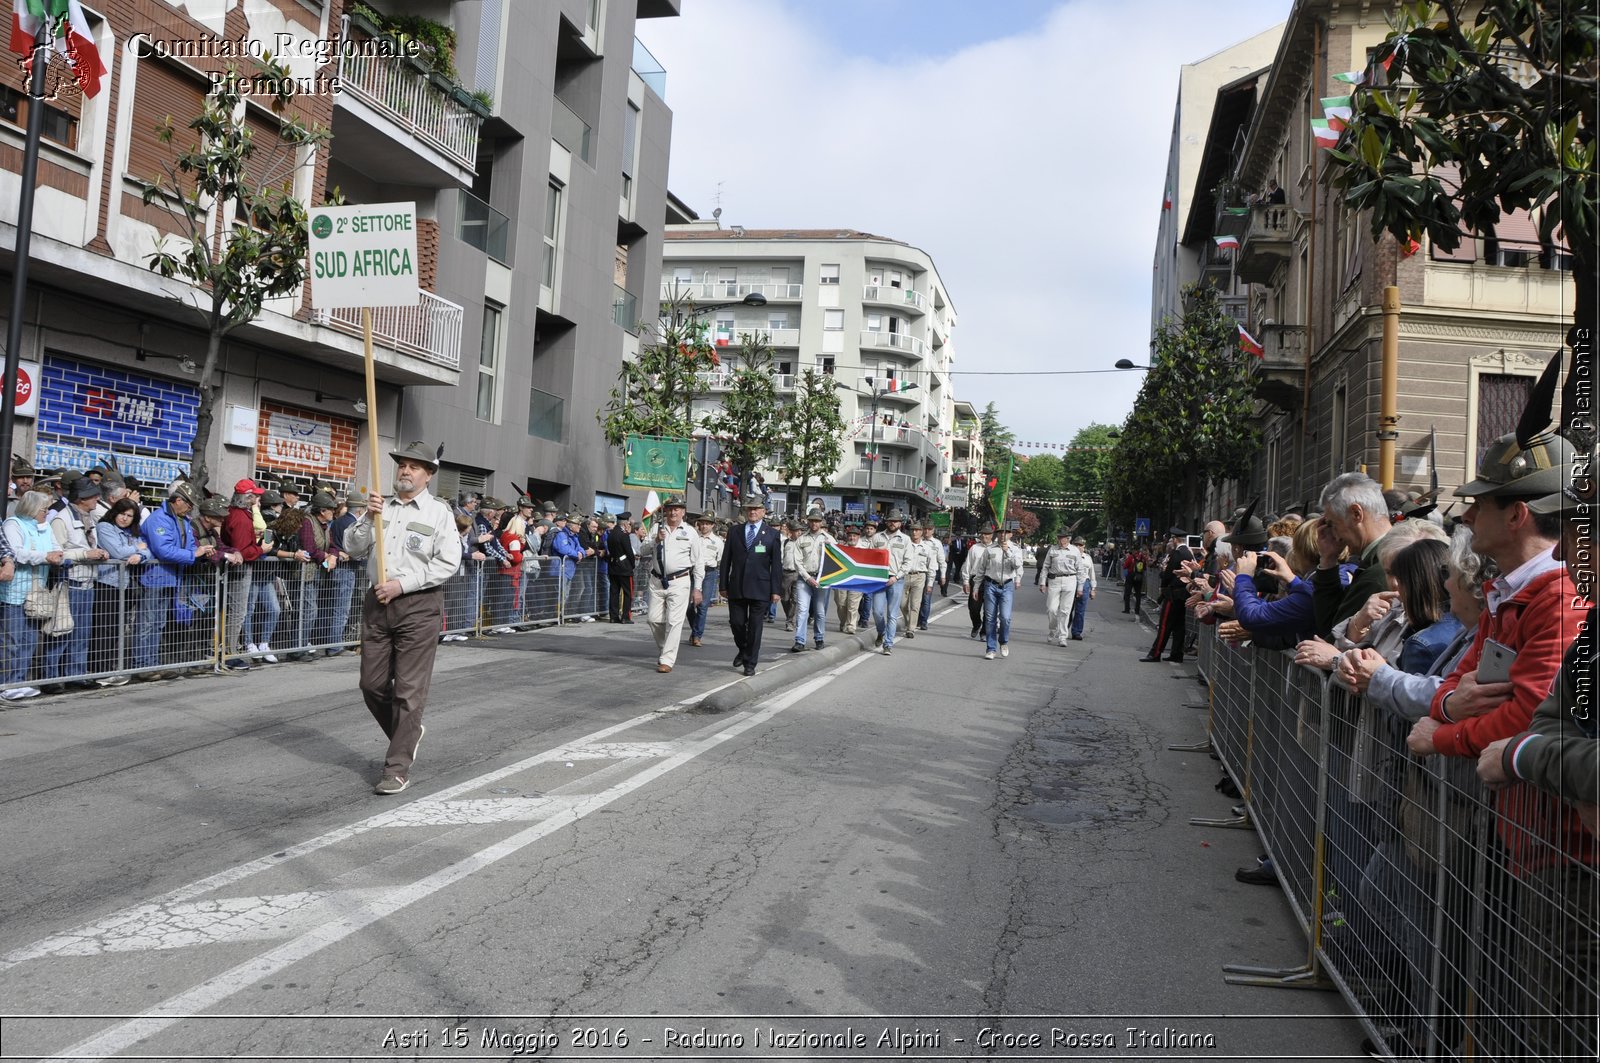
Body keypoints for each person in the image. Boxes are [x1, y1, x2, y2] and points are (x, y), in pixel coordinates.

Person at [343, 441, 459, 796]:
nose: (405, 471)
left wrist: (402, 585)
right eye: (402, 465)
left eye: (414, 467)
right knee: (372, 685)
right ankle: (407, 732)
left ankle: (396, 768)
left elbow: (449, 562)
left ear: (428, 475)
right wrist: (367, 517)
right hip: (377, 604)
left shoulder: (439, 512)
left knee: (409, 692)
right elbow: (352, 547)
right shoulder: (382, 507)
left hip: (418, 606)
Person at [133, 483, 214, 678]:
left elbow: (187, 545)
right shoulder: (159, 519)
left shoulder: (181, 519)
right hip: (153, 576)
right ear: (178, 500)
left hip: (170, 577)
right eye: (189, 504)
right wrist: (193, 553)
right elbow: (163, 550)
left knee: (158, 623)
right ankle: (142, 665)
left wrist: (200, 552)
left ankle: (153, 663)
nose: (191, 508)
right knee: (147, 623)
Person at [45, 476, 109, 686]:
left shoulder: (88, 517)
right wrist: (85, 554)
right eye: (93, 495)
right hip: (69, 583)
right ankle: (51, 678)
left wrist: (100, 553)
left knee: (82, 635)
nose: (97, 499)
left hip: (87, 583)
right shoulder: (61, 519)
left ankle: (76, 675)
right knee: (60, 632)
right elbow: (56, 552)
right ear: (82, 498)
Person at [2, 491, 59, 700]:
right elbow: (18, 553)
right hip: (15, 592)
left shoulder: (44, 527)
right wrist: (45, 556)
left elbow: (57, 549)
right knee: (13, 640)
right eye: (44, 509)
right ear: (33, 509)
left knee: (29, 640)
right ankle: (6, 683)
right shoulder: (13, 524)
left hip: (36, 591)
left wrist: (52, 554)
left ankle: (20, 680)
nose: (47, 513)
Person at [721, 496, 782, 676]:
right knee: (736, 623)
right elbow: (726, 560)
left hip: (760, 588)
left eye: (756, 509)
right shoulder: (735, 531)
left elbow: (776, 565)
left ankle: (750, 663)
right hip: (737, 587)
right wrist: (723, 585)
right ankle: (743, 648)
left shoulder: (772, 534)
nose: (752, 512)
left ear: (763, 512)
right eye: (749, 509)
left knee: (755, 628)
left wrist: (776, 590)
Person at [642, 496, 703, 673]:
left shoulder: (690, 532)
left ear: (683, 511)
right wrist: (656, 541)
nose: (673, 512)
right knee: (653, 619)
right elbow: (642, 550)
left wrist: (697, 588)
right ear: (665, 511)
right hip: (657, 580)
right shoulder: (656, 528)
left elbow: (698, 562)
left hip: (680, 581)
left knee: (674, 621)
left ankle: (667, 659)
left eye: (677, 508)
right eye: (670, 508)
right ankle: (665, 650)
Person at [92, 496, 146, 685]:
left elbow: (149, 550)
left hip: (124, 584)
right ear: (115, 512)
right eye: (122, 513)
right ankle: (99, 670)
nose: (125, 518)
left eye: (129, 515)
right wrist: (137, 548)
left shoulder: (132, 532)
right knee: (103, 628)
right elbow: (117, 552)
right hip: (106, 582)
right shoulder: (105, 527)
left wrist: (140, 554)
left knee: (116, 627)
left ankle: (108, 668)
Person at [972, 524, 1024, 660]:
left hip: (1006, 585)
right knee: (990, 618)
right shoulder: (990, 549)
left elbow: (1018, 565)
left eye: (1005, 533)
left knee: (1005, 617)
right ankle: (991, 648)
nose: (1002, 535)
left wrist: (1008, 552)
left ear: (1010, 535)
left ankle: (1004, 641)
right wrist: (976, 587)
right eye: (1000, 533)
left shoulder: (1015, 549)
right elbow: (981, 569)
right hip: (991, 585)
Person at [1142, 528, 1194, 663]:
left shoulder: (1177, 553)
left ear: (1176, 539)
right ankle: (1177, 653)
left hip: (1173, 594)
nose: (1171, 541)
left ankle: (1155, 653)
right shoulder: (1189, 553)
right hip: (1183, 594)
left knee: (1165, 625)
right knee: (1179, 626)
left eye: (1172, 539)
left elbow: (1168, 574)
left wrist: (1163, 581)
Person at [790, 509, 834, 652]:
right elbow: (797, 561)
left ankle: (819, 638)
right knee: (802, 609)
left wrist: (831, 546)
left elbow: (838, 558)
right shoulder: (801, 539)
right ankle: (800, 640)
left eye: (817, 520)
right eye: (812, 520)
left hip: (822, 579)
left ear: (821, 522)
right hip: (805, 578)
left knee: (820, 611)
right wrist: (808, 578)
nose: (814, 523)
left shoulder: (828, 538)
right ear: (808, 521)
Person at [871, 510, 914, 656]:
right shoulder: (877, 537)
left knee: (892, 614)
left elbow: (908, 562)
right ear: (886, 522)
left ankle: (888, 644)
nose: (892, 523)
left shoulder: (906, 540)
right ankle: (881, 631)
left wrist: (896, 577)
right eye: (890, 520)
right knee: (877, 611)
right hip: (879, 580)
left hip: (896, 580)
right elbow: (868, 558)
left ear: (900, 523)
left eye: (895, 521)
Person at [1037, 527, 1081, 646]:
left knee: (1065, 611)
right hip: (1054, 580)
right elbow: (1045, 567)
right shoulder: (1052, 550)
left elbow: (1080, 570)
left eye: (1063, 537)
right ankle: (1053, 629)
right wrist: (1042, 582)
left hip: (1070, 580)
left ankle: (1063, 637)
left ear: (1068, 538)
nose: (1060, 539)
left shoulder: (1075, 551)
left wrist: (1080, 587)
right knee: (1051, 609)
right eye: (1059, 537)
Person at [688, 512, 722, 644]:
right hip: (693, 571)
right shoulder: (694, 538)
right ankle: (695, 628)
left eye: (707, 523)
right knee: (688, 605)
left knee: (703, 605)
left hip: (709, 572)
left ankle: (697, 636)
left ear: (712, 525)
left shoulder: (718, 541)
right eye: (702, 523)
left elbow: (719, 558)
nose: (704, 526)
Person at [962, 524, 994, 638]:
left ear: (991, 535)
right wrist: (966, 581)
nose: (984, 536)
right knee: (973, 607)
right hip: (975, 580)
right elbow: (967, 565)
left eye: (987, 534)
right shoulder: (974, 548)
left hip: (989, 580)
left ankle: (984, 631)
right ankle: (976, 624)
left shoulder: (995, 548)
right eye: (983, 534)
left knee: (988, 609)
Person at [833, 523, 865, 634]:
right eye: (850, 536)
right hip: (842, 580)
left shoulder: (864, 549)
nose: (852, 538)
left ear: (858, 537)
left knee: (853, 604)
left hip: (857, 581)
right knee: (841, 603)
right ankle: (843, 622)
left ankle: (851, 625)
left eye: (855, 536)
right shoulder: (841, 549)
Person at [606, 511, 637, 624]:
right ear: (625, 524)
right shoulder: (623, 535)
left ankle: (613, 616)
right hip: (624, 567)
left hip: (613, 566)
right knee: (628, 593)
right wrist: (632, 565)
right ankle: (625, 617)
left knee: (614, 592)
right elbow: (629, 552)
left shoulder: (611, 534)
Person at [1068, 535, 1096, 640]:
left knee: (1080, 610)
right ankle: (1064, 629)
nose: (1080, 547)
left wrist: (1093, 589)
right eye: (1077, 545)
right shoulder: (1069, 555)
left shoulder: (1087, 558)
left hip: (1084, 583)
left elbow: (1092, 573)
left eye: (1082, 545)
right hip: (1071, 582)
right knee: (1067, 608)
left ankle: (1076, 632)